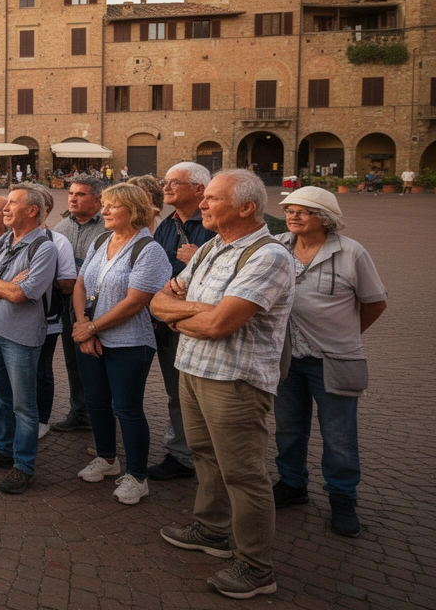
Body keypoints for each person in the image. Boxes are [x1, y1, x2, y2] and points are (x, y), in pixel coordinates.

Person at [150, 169, 294, 599]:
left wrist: (188, 313)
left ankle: (255, 567)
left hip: (235, 381)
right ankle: (211, 530)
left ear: (246, 208)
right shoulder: (212, 246)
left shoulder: (268, 256)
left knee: (244, 474)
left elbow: (219, 324)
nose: (204, 204)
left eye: (212, 198)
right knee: (204, 455)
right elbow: (159, 302)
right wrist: (200, 313)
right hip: (192, 369)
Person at [272, 187, 387, 537]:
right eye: (290, 210)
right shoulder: (277, 247)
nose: (293, 216)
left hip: (333, 360)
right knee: (288, 429)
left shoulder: (352, 253)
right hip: (288, 358)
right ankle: (292, 484)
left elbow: (375, 303)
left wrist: (347, 335)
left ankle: (342, 497)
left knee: (339, 436)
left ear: (325, 218)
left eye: (303, 211)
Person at [70, 184, 172, 505]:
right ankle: (107, 458)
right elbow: (81, 283)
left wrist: (91, 329)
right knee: (97, 402)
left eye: (113, 206)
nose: (105, 211)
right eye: (105, 206)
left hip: (129, 342)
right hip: (92, 336)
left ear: (134, 210)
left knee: (126, 409)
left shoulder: (149, 250)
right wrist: (82, 325)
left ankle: (138, 476)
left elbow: (135, 302)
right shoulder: (103, 241)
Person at [0, 185, 58, 495]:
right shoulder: (4, 239)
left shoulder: (44, 248)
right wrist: (1, 284)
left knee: (23, 404)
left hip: (21, 337)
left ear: (32, 211)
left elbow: (22, 295)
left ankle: (24, 465)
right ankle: (2, 448)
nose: (5, 208)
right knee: (0, 396)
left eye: (12, 204)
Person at [147, 162, 215, 482]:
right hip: (168, 319)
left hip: (201, 322)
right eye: (165, 182)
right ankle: (182, 453)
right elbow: (157, 268)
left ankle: (208, 455)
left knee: (206, 394)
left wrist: (196, 258)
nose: (167, 188)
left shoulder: (214, 223)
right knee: (176, 391)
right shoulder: (167, 224)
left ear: (199, 190)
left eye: (175, 182)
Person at [50, 176, 108, 434]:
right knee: (73, 360)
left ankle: (103, 416)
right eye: (71, 193)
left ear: (98, 199)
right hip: (67, 304)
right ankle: (79, 411)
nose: (73, 198)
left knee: (99, 361)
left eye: (80, 194)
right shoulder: (61, 228)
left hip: (100, 307)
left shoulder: (109, 226)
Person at [28, 185, 78, 441]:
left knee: (41, 369)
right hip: (12, 318)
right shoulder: (6, 239)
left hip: (44, 318)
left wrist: (37, 281)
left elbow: (69, 283)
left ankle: (41, 419)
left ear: (43, 210)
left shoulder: (58, 241)